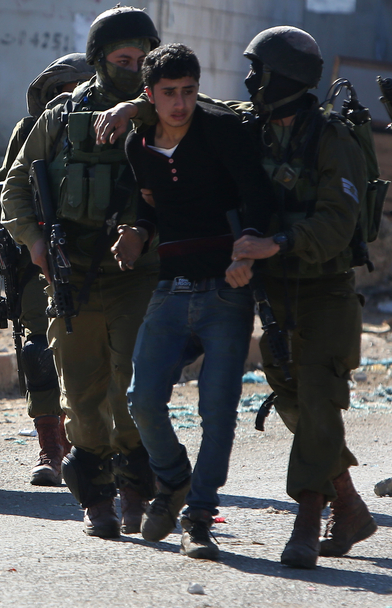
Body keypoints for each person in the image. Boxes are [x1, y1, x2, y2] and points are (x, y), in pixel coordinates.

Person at [95, 26, 377, 569]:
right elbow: (188, 102)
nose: (249, 82)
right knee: (294, 400)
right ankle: (348, 504)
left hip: (320, 288)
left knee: (316, 401)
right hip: (270, 290)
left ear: (285, 80)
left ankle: (307, 515)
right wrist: (135, 108)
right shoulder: (253, 125)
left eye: (258, 74)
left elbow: (338, 223)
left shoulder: (330, 139)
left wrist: (276, 242)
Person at [0, 6, 160, 538]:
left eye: (143, 60)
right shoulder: (61, 117)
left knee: (132, 386)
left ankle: (137, 483)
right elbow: (16, 186)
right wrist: (35, 240)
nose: (133, 68)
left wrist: (141, 108)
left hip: (138, 274)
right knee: (83, 392)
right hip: (73, 270)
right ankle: (96, 497)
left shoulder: (167, 112)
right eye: (122, 59)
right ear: (98, 60)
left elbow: (218, 123)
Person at [115, 44, 275, 559]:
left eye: (188, 91)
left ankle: (199, 518)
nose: (180, 103)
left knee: (218, 413)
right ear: (150, 96)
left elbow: (258, 196)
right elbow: (144, 203)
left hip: (227, 292)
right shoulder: (138, 146)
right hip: (170, 287)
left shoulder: (222, 132)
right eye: (169, 94)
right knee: (141, 399)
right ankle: (174, 479)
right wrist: (136, 232)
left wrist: (248, 247)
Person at [0, 53, 93, 486]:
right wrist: (16, 241)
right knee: (39, 349)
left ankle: (96, 444)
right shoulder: (29, 131)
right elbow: (5, 189)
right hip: (38, 256)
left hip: (95, 254)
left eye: (71, 92)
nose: (62, 102)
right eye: (54, 94)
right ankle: (51, 448)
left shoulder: (106, 127)